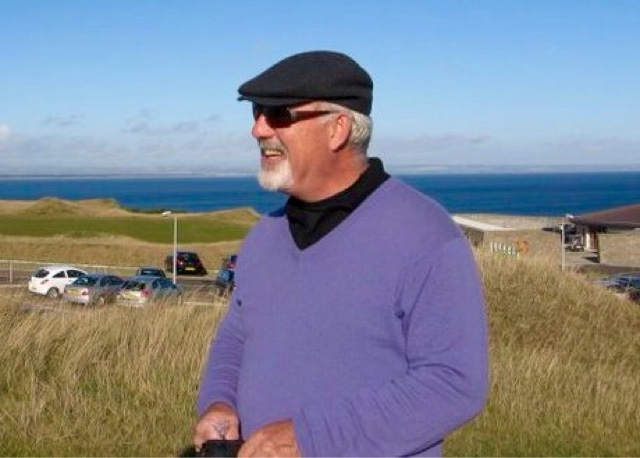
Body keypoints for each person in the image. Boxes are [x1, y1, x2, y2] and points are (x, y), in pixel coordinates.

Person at [193, 50, 489, 457]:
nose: (258, 129)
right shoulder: (264, 235)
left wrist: (311, 438)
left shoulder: (425, 235)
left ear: (338, 129)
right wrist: (219, 403)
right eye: (257, 112)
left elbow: (453, 383)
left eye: (279, 114)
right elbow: (237, 336)